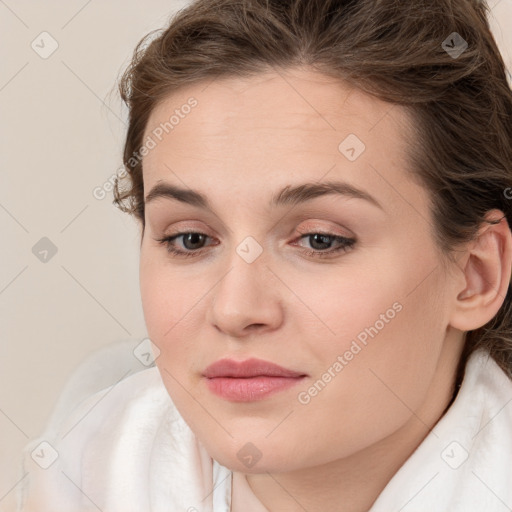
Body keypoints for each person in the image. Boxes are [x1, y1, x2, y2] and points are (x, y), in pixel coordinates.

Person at [17, 0, 512, 510]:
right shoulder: (92, 466)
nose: (234, 310)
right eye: (191, 239)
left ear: (476, 274)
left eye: (320, 239)